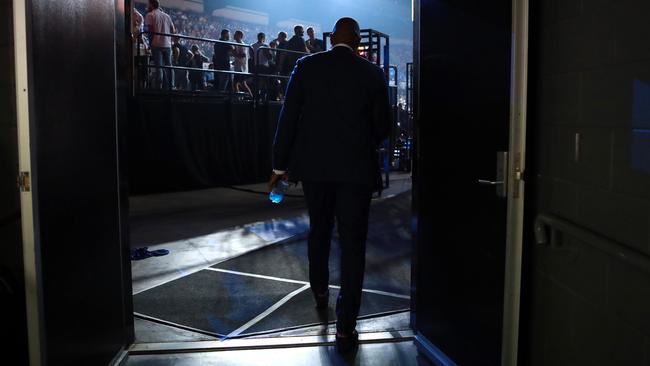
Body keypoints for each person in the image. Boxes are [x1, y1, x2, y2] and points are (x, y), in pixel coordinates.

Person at [269, 17, 391, 353]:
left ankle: (320, 290)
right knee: (353, 245)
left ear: (333, 37)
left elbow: (289, 116)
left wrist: (279, 165)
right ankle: (346, 327)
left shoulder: (307, 66)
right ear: (356, 41)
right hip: (356, 171)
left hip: (315, 169)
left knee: (319, 230)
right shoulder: (372, 73)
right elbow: (383, 127)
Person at [145, 0, 176, 89]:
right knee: (169, 66)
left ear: (151, 4)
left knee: (159, 68)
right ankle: (171, 87)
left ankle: (159, 88)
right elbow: (173, 30)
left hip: (156, 43)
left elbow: (150, 31)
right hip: (167, 44)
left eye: (148, 4)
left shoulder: (150, 15)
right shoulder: (167, 16)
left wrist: (150, 45)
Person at [232, 30, 252, 96]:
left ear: (240, 36)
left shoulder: (241, 45)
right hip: (239, 67)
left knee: (242, 84)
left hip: (241, 68)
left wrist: (234, 53)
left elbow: (243, 55)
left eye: (235, 34)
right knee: (236, 83)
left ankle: (251, 97)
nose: (234, 35)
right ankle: (239, 97)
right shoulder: (237, 44)